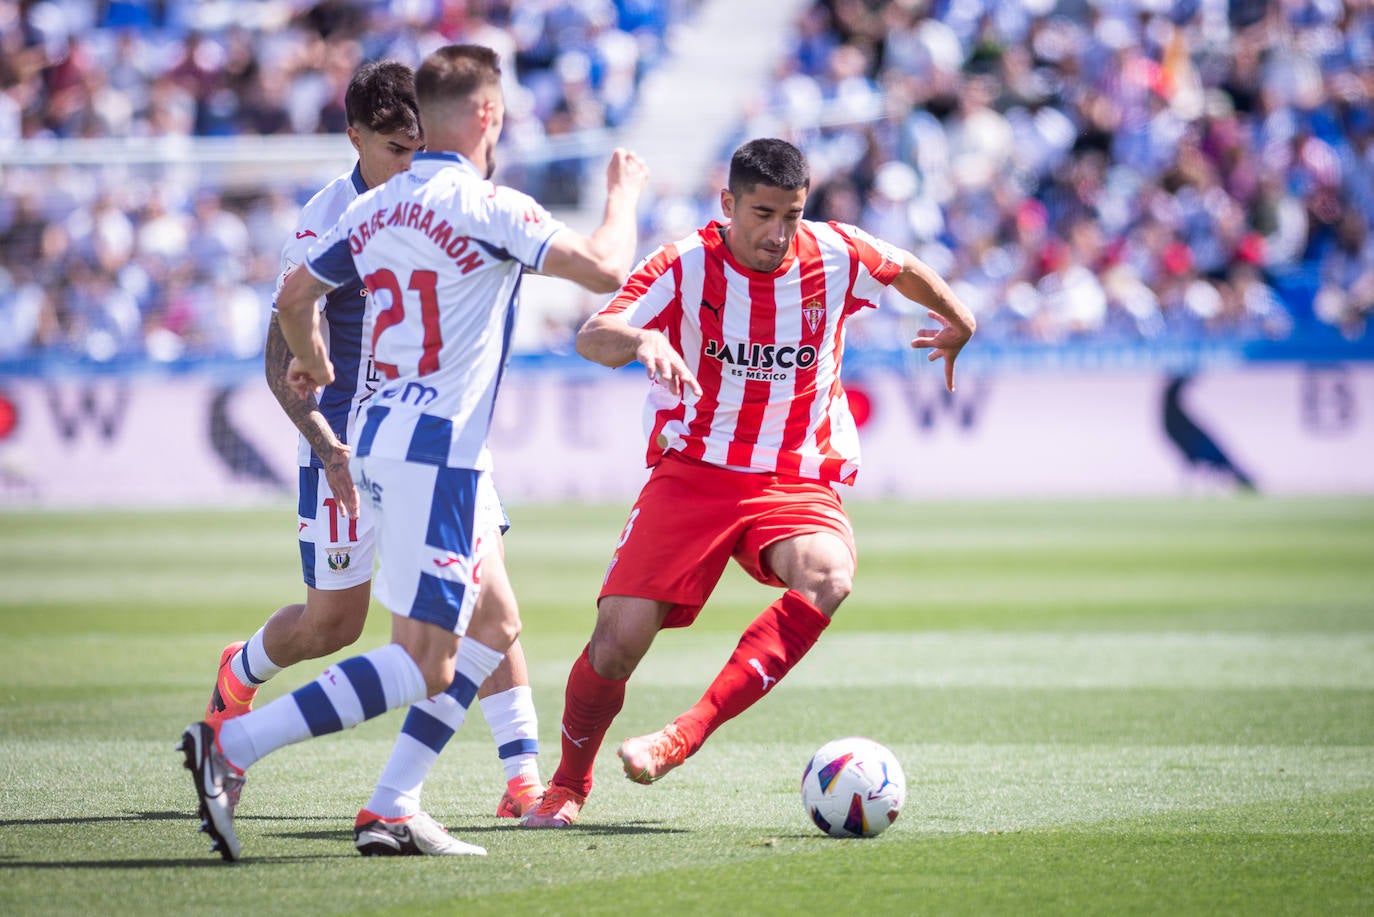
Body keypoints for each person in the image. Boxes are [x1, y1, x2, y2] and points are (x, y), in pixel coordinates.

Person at [178, 43, 649, 862]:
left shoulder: (375, 210)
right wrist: (624, 194)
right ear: (488, 115)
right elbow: (607, 265)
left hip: (381, 439)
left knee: (495, 620)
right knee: (419, 658)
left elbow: (294, 295)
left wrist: (315, 360)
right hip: (431, 455)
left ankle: (398, 803)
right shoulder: (491, 206)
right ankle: (236, 744)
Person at [520, 137, 975, 828]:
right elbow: (593, 333)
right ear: (728, 203)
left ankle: (685, 733)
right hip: (694, 471)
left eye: (792, 213)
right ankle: (567, 784)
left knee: (830, 574)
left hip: (793, 472)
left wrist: (960, 319)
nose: (778, 232)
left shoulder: (834, 251)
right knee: (616, 642)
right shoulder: (684, 263)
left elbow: (905, 267)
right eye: (763, 213)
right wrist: (641, 340)